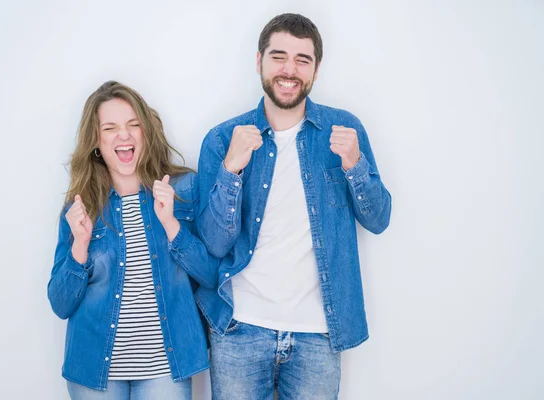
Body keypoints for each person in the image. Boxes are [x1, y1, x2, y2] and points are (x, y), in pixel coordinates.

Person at [195, 13, 392, 399]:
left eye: (303, 60)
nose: (290, 70)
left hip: (318, 333)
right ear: (259, 62)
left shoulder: (344, 130)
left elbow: (379, 219)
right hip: (239, 330)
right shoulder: (222, 139)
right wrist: (232, 169)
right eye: (279, 56)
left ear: (316, 69)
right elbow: (215, 244)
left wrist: (355, 166)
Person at [48, 81, 215, 399]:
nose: (123, 135)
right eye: (110, 128)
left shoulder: (185, 189)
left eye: (133, 125)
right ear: (96, 141)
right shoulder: (81, 208)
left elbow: (211, 275)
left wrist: (171, 225)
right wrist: (79, 246)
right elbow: (61, 303)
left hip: (167, 368)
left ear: (145, 132)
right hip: (94, 372)